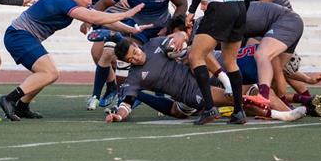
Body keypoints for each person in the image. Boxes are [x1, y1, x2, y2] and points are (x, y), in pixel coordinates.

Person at [0, 0, 147, 121]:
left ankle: (22, 106)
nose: (90, 1)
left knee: (46, 73)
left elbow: (101, 18)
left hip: (24, 37)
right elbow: (95, 18)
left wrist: (131, 29)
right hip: (18, 36)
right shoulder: (63, 2)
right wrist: (127, 14)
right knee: (49, 72)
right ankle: (9, 99)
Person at [105, 37, 306, 123]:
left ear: (136, 45)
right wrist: (119, 116)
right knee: (236, 99)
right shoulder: (133, 78)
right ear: (126, 62)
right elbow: (127, 104)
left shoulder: (154, 45)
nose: (136, 57)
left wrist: (180, 37)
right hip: (191, 93)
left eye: (135, 52)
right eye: (130, 59)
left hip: (203, 75)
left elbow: (179, 43)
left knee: (253, 90)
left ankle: (289, 112)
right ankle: (281, 116)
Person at [86, 0, 187, 110]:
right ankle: (125, 97)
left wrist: (174, 29)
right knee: (126, 55)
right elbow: (103, 3)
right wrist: (88, 18)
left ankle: (183, 94)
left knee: (178, 51)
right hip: (138, 30)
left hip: (163, 30)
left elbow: (182, 4)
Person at [186, 0, 250, 125]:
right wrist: (241, 13)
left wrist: (191, 10)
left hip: (220, 7)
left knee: (195, 56)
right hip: (239, 8)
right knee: (231, 61)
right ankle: (239, 112)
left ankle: (209, 109)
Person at [72, 0, 120, 109]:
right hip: (95, 15)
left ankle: (118, 90)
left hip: (115, 14)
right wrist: (84, 18)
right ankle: (113, 85)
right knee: (99, 54)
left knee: (107, 53)